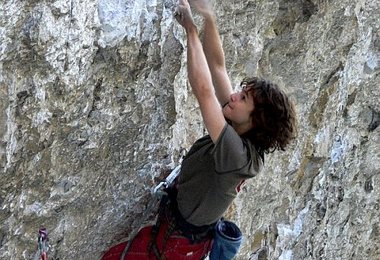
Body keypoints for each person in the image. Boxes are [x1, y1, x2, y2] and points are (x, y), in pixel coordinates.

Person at [102, 0, 297, 259]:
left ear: (257, 120)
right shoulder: (241, 125)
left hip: (178, 243)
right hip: (178, 228)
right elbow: (217, 67)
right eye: (241, 91)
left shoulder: (237, 156)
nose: (235, 96)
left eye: (244, 98)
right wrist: (209, 17)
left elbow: (204, 91)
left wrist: (191, 30)